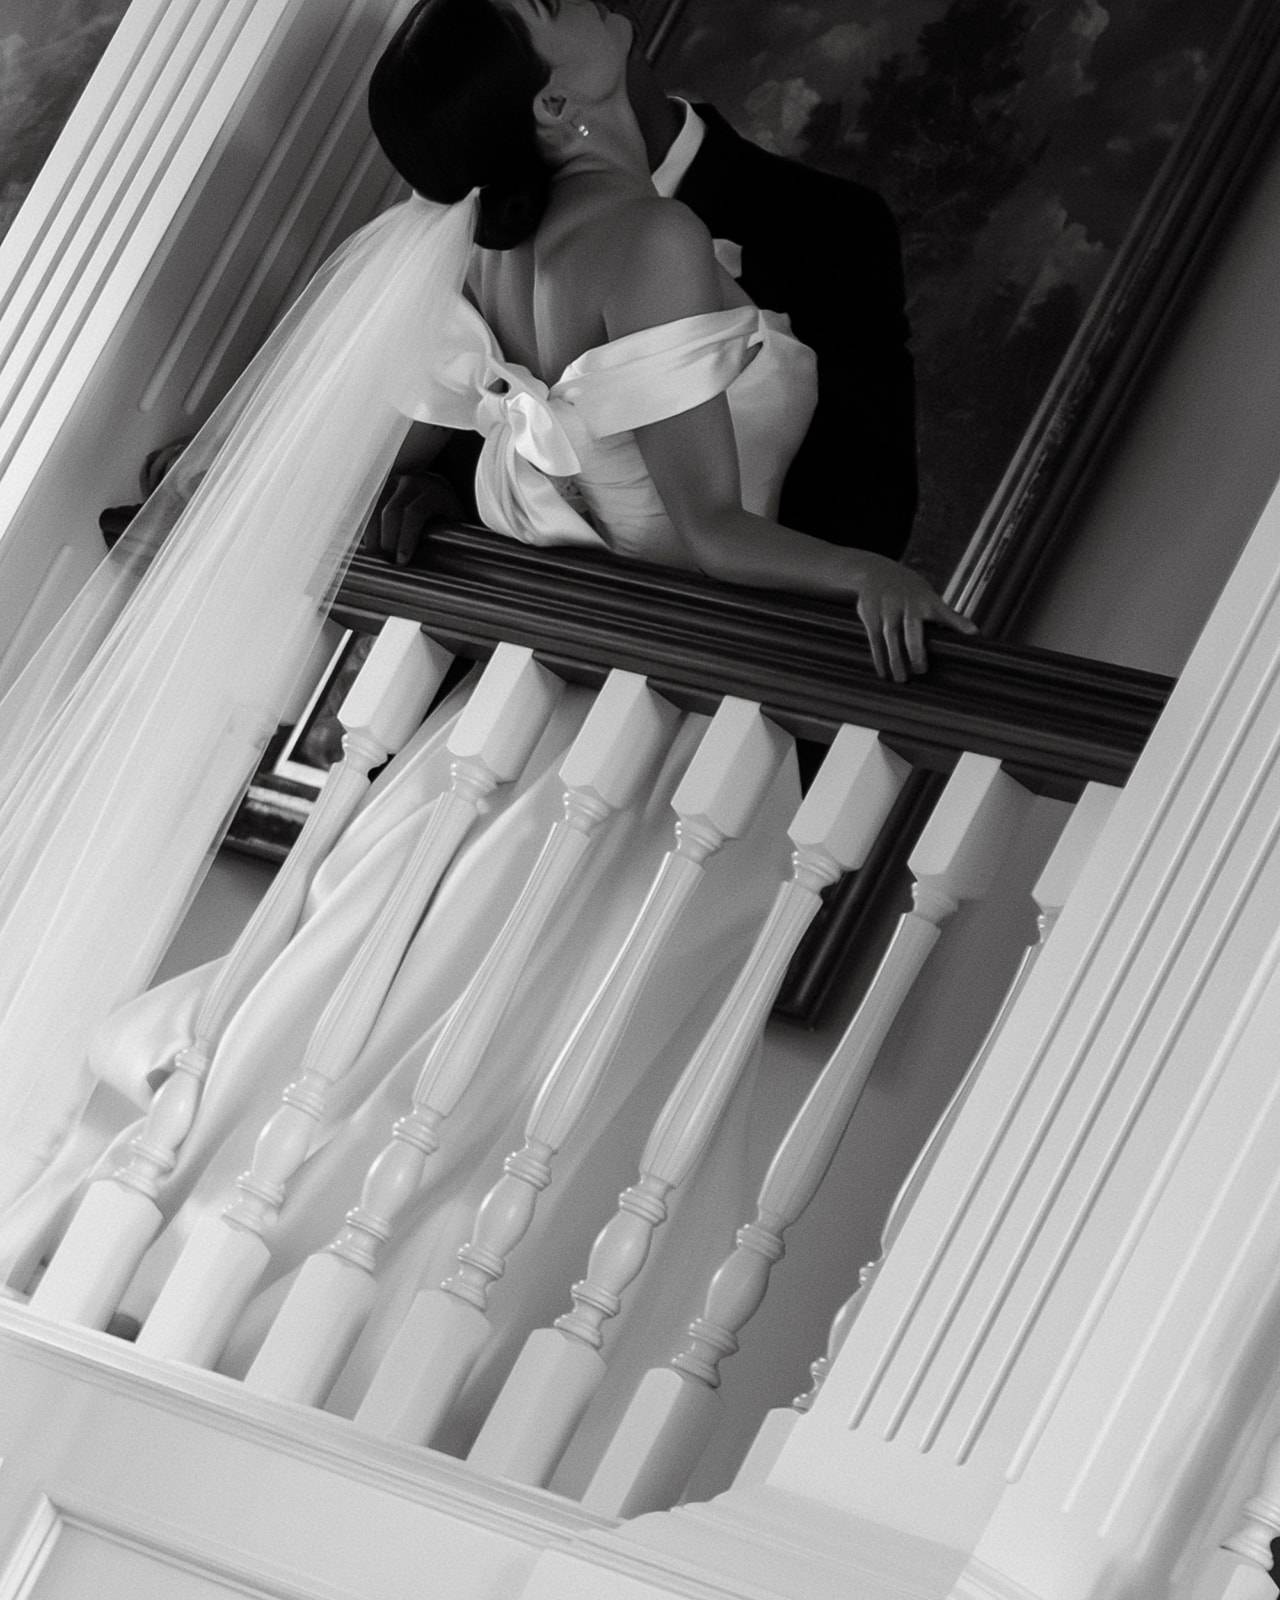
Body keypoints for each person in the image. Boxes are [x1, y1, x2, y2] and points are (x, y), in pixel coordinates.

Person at [0, 0, 974, 1479]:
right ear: (531, 101)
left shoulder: (777, 226)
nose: (575, 0)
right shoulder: (585, 235)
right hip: (569, 735)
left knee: (469, 1038)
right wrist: (848, 582)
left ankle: (333, 1380)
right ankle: (301, 1387)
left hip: (683, 738)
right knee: (462, 1036)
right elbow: (658, 516)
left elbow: (845, 494)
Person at [378, 0, 917, 570]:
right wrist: (455, 511)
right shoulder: (485, 243)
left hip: (741, 628)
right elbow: (437, 447)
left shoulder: (830, 222)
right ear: (551, 102)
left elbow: (868, 502)